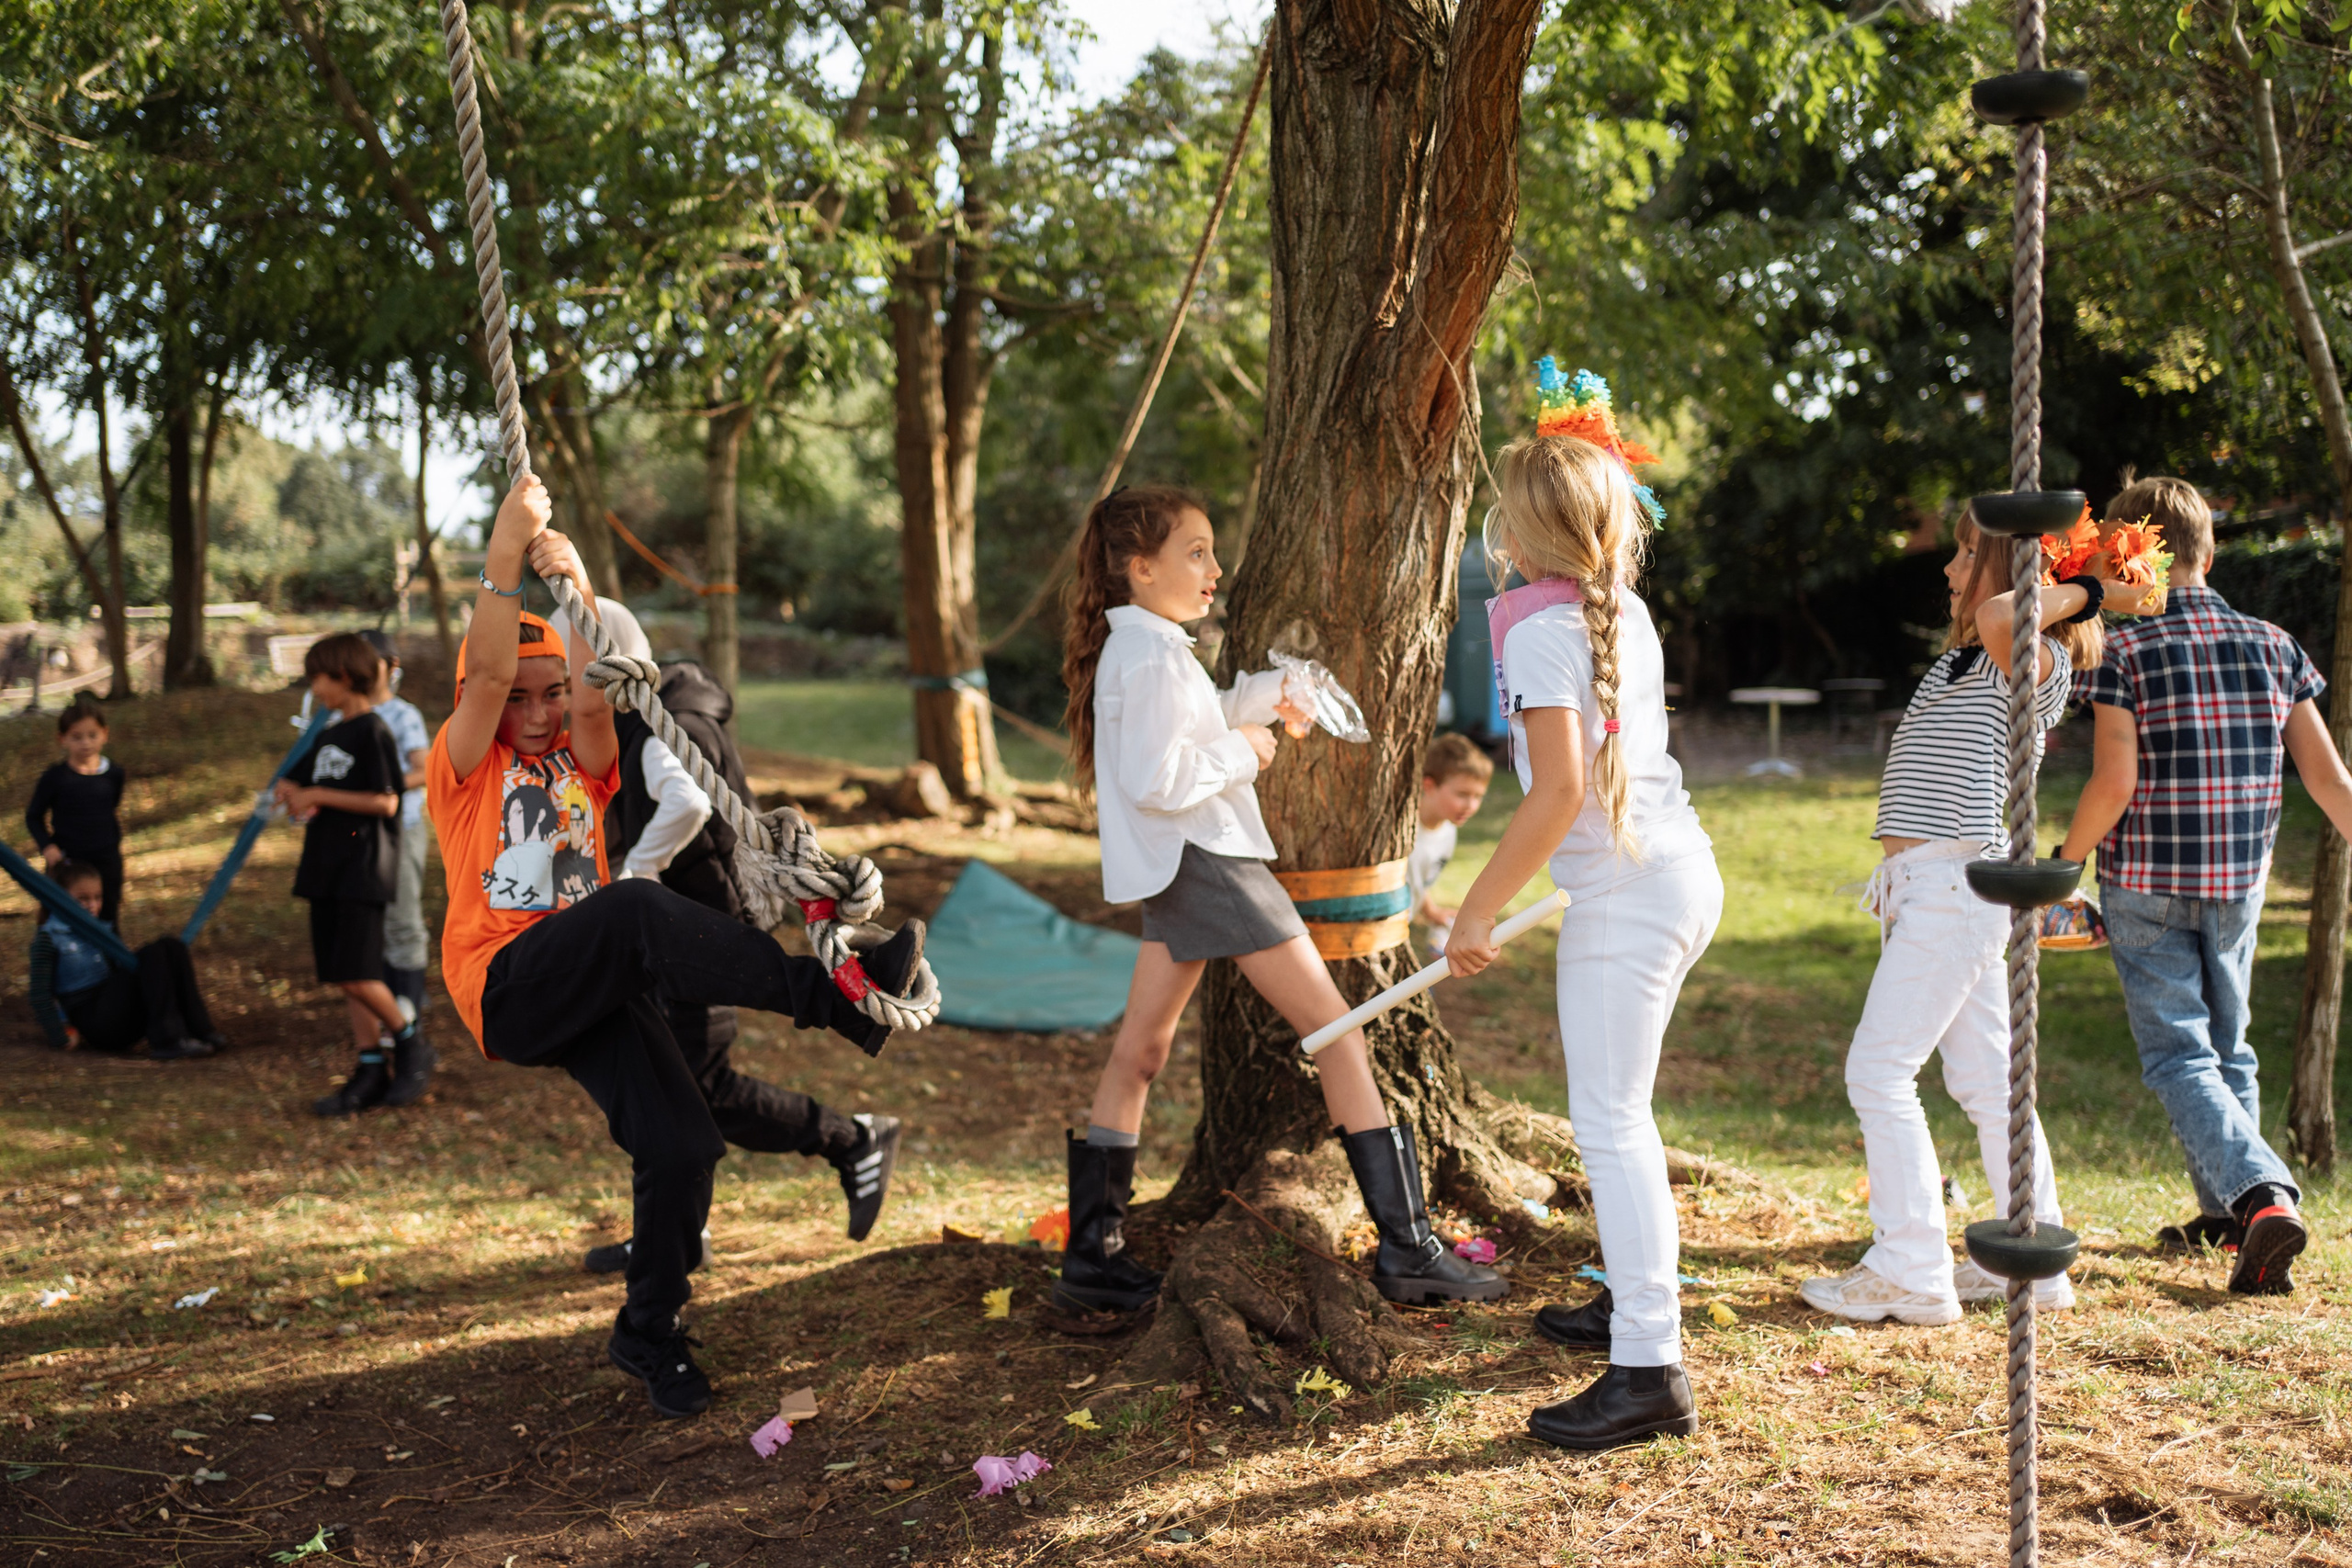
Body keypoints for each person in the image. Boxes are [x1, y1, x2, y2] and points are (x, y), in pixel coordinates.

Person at [430, 473, 928, 1419]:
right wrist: (506, 555)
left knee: (685, 1143)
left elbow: (592, 697)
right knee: (631, 905)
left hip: (591, 985)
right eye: (515, 700)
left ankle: (648, 1330)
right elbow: (491, 671)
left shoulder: (584, 759)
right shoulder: (460, 768)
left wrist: (574, 589)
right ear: (480, 706)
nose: (534, 713)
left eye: (551, 696)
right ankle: (836, 999)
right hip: (507, 988)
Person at [1052, 484, 1504, 1317]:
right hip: (1210, 863)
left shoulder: (1152, 647)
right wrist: (1250, 750)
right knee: (1337, 1034)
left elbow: (1190, 727)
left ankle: (1091, 1257)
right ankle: (1409, 1249)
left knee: (1140, 1053)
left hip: (1186, 866)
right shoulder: (1149, 655)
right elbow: (1162, 779)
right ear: (1139, 567)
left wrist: (1263, 697)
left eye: (1212, 552)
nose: (1214, 569)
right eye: (1195, 553)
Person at [1444, 403, 1720, 1451]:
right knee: (1620, 1115)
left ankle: (1648, 1366)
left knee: (1611, 1125)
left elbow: (1556, 790)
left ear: (1516, 540)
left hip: (1626, 898)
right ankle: (1625, 1297)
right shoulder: (1614, 614)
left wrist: (1478, 908)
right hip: (1672, 875)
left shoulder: (1551, 632)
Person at [1799, 509, 2142, 1326]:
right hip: (1945, 891)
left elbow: (2001, 614)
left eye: (1963, 554)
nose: (1949, 570)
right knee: (1990, 1082)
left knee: (1878, 1072)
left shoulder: (2035, 659)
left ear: (2017, 576)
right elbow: (1988, 614)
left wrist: (2089, 589)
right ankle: (2034, 1258)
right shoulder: (1963, 662)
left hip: (1954, 890)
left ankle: (1909, 1267)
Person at [2055, 474, 2352, 1297]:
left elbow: (2114, 781)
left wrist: (2067, 857)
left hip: (2146, 882)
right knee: (2230, 1047)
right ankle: (2229, 1218)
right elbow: (2329, 780)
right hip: (2237, 883)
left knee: (2181, 1055)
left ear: (2125, 556)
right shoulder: (2273, 644)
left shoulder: (2123, 650)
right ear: (2209, 550)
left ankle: (2259, 1200)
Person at [548, 601, 903, 1272]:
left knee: (694, 1088)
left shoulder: (661, 725)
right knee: (677, 1085)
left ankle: (851, 1139)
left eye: (565, 675)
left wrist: (637, 874)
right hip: (683, 930)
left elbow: (686, 801)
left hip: (697, 932)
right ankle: (681, 1231)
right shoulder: (664, 707)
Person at [281, 634, 421, 1117]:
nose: (313, 687)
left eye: (318, 677)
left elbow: (386, 800)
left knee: (361, 973)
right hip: (326, 867)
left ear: (342, 676)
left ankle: (411, 1045)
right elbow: (296, 781)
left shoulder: (373, 731)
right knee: (343, 974)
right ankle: (368, 1067)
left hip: (364, 866)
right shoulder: (326, 734)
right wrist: (293, 794)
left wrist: (318, 796)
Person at [28, 860, 221, 1060]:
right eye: (82, 899)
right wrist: (60, 1036)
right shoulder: (49, 938)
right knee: (151, 954)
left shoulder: (100, 931)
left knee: (171, 946)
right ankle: (169, 1040)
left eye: (97, 898)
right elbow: (39, 994)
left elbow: (123, 974)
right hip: (97, 1023)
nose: (92, 905)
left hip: (116, 1010)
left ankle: (200, 1029)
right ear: (60, 898)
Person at [360, 631, 435, 1055]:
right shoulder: (337, 716)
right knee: (368, 923)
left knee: (402, 919)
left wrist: (377, 791)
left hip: (399, 830)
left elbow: (422, 771)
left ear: (391, 665)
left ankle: (408, 1013)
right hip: (359, 835)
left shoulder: (404, 715)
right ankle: (383, 1008)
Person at [27, 699, 128, 926]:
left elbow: (111, 806)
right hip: (68, 862)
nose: (86, 743)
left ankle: (108, 962)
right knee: (62, 921)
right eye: (77, 737)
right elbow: (33, 816)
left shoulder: (114, 774)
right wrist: (48, 847)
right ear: (62, 739)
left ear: (104, 734)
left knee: (106, 918)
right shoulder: (55, 778)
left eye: (92, 735)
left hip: (106, 861)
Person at [1408, 734, 1493, 960]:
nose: (1471, 805)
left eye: (1478, 796)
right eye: (1462, 794)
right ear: (1429, 785)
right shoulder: (1403, 830)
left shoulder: (1448, 832)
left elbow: (1418, 880)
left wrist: (1431, 912)